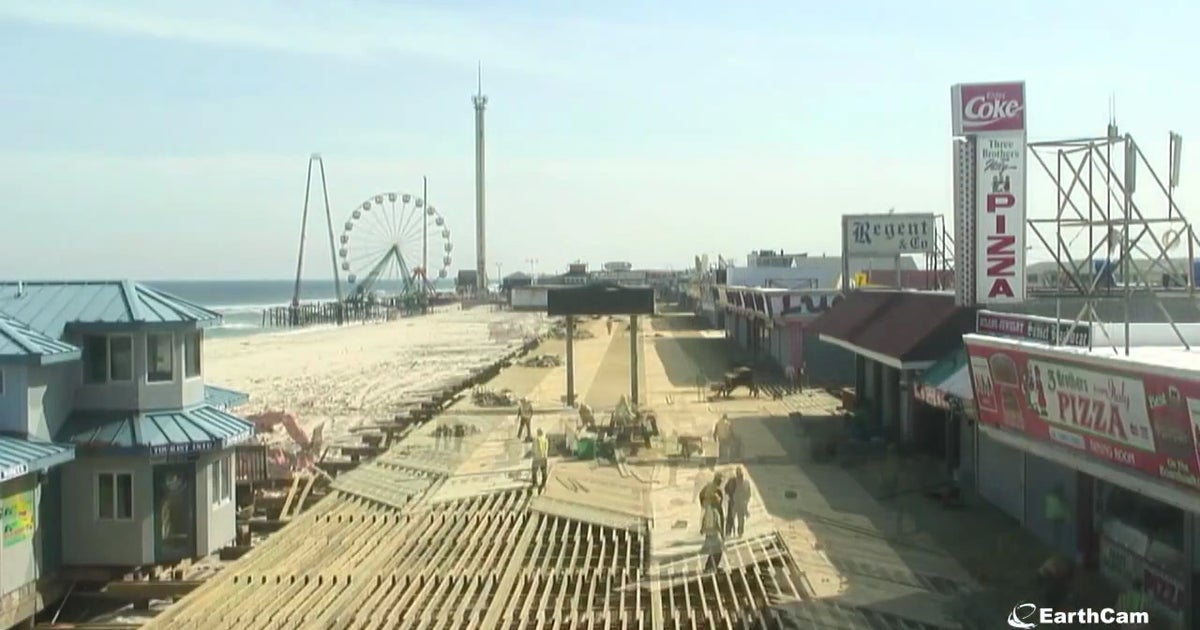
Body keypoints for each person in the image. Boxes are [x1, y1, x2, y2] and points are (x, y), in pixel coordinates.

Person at [724, 468, 751, 537]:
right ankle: (739, 532)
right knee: (740, 519)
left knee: (731, 518)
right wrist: (745, 502)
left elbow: (726, 489)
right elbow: (748, 494)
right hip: (740, 503)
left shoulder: (732, 481)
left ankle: (728, 532)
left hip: (733, 502)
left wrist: (730, 494)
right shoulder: (746, 482)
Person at [700, 500, 725, 573]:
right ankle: (712, 567)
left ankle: (709, 567)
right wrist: (722, 534)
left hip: (708, 533)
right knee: (718, 551)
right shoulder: (715, 511)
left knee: (713, 551)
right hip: (714, 533)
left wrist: (702, 529)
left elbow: (704, 520)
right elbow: (718, 523)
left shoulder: (708, 510)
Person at [530, 428, 550, 493]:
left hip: (537, 458)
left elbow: (534, 449)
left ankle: (535, 483)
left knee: (534, 471)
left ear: (538, 433)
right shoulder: (545, 440)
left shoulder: (536, 439)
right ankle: (543, 483)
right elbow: (547, 449)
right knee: (544, 471)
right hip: (544, 457)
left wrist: (533, 454)